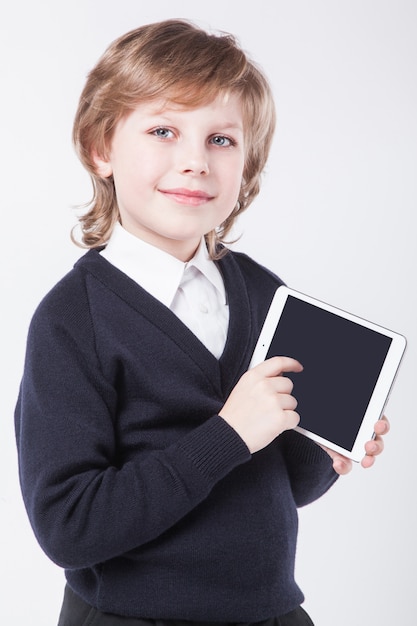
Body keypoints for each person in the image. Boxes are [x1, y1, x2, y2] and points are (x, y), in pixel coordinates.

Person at [14, 19, 389, 626]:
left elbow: (278, 487)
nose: (195, 161)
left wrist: (323, 450)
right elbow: (69, 527)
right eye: (163, 130)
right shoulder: (70, 322)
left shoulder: (266, 293)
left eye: (222, 140)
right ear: (101, 149)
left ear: (247, 165)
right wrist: (229, 434)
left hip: (269, 613)